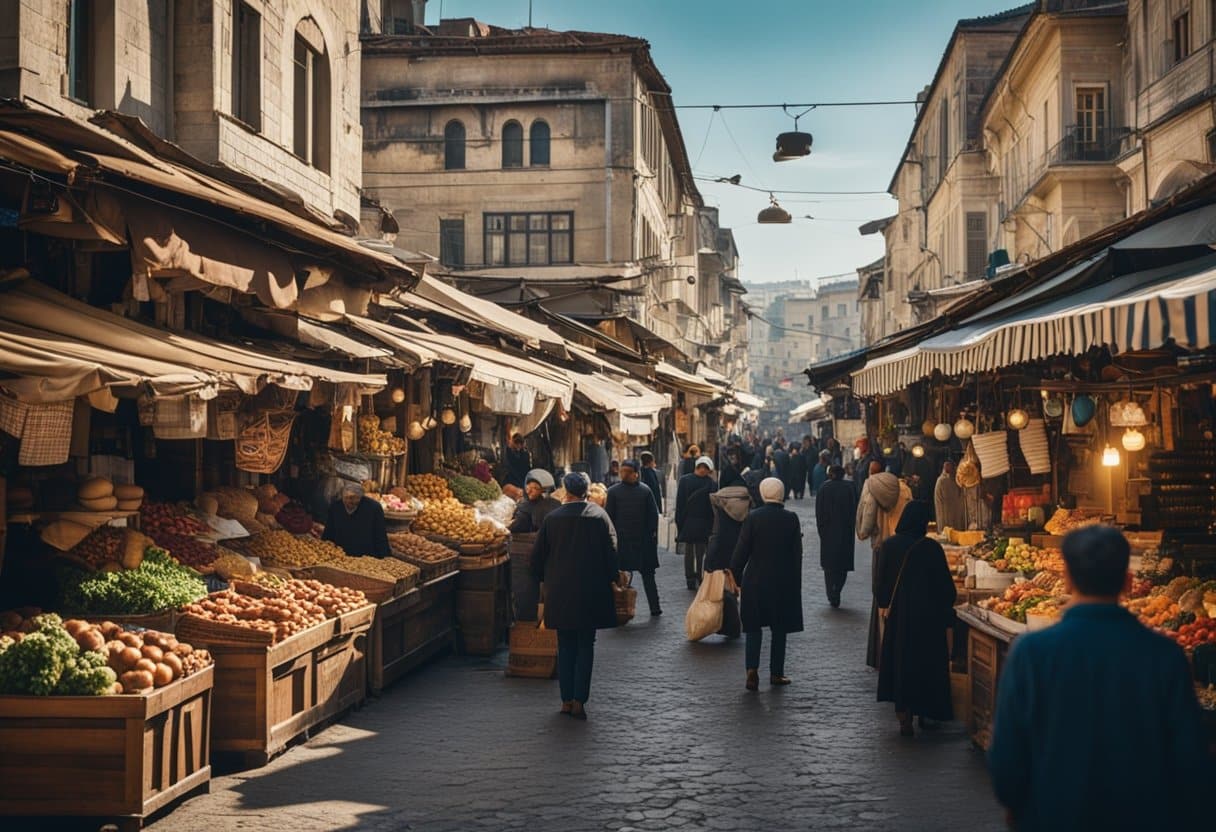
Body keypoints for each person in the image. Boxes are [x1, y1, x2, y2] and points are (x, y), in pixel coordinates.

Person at [988, 526, 1209, 828]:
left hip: (1053, 816)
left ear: (1067, 579)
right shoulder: (1165, 656)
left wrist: (1019, 806)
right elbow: (1190, 758)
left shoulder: (1031, 653)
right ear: (1128, 583)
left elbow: (1007, 757)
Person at [530, 473, 620, 721]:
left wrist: (543, 580)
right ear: (586, 493)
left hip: (560, 591)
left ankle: (566, 700)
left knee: (565, 644)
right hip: (591, 590)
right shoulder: (599, 516)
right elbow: (612, 551)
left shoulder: (552, 519)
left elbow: (536, 559)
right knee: (585, 644)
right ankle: (580, 699)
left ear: (565, 492)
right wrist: (613, 578)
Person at [875, 501, 956, 736]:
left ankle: (904, 716)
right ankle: (926, 711)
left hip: (899, 619)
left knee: (901, 664)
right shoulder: (931, 548)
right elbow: (947, 589)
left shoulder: (889, 546)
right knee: (926, 665)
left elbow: (881, 586)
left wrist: (884, 605)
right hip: (928, 619)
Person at [731, 477, 803, 690]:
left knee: (753, 627)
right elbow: (796, 555)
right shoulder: (791, 519)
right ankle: (776, 673)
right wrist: (794, 582)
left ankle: (751, 671)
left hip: (755, 579)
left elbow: (741, 551)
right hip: (781, 581)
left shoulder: (753, 518)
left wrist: (735, 576)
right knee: (779, 629)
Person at [857, 466, 912, 668]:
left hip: (882, 547)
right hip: (905, 545)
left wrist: (863, 533)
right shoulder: (904, 489)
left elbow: (868, 516)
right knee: (901, 594)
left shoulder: (871, 487)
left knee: (881, 596)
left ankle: (882, 652)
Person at [605, 459, 662, 617]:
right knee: (620, 578)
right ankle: (617, 608)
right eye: (623, 471)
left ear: (636, 473)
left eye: (628, 472)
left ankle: (655, 608)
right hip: (623, 540)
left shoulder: (645, 491)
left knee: (648, 577)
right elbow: (609, 517)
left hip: (642, 541)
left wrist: (651, 536)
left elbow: (653, 517)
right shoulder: (614, 492)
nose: (624, 474)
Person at [675, 455, 718, 590]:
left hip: (688, 522)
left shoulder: (684, 480)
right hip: (704, 523)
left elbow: (680, 504)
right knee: (701, 552)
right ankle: (699, 576)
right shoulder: (712, 484)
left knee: (689, 552)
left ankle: (690, 578)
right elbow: (713, 508)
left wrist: (679, 524)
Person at [816, 465, 856, 608]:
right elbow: (853, 511)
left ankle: (831, 593)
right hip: (845, 532)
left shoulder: (823, 488)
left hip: (828, 532)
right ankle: (836, 591)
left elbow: (819, 513)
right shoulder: (849, 489)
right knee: (842, 566)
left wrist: (821, 530)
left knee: (829, 567)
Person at [705, 454, 752, 573]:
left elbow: (716, 534)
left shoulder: (719, 499)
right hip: (744, 552)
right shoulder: (749, 498)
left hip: (723, 552)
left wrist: (708, 561)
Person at [322, 482, 390, 557]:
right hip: (340, 556)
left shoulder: (374, 508)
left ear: (361, 497)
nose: (349, 501)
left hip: (367, 558)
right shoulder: (335, 507)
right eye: (346, 498)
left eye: (353, 498)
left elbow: (381, 537)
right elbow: (328, 534)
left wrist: (384, 558)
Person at [509, 469, 560, 533]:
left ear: (544, 491)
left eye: (535, 488)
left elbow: (514, 527)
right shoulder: (556, 504)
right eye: (528, 487)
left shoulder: (525, 509)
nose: (529, 491)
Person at [934, 460, 966, 532]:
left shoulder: (955, 479)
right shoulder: (942, 481)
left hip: (956, 515)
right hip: (946, 516)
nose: (955, 469)